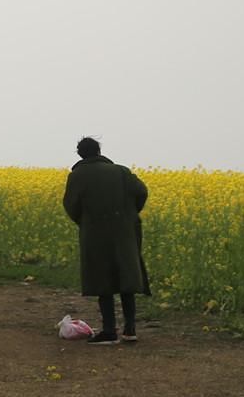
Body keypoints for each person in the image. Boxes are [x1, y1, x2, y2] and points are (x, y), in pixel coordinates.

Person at [61, 136, 149, 345]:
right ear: (99, 151)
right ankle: (130, 330)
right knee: (126, 278)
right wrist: (129, 214)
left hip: (95, 234)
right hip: (124, 232)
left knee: (103, 281)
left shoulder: (78, 175)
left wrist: (85, 221)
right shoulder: (121, 171)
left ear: (80, 154)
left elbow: (71, 205)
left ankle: (109, 331)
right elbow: (142, 192)